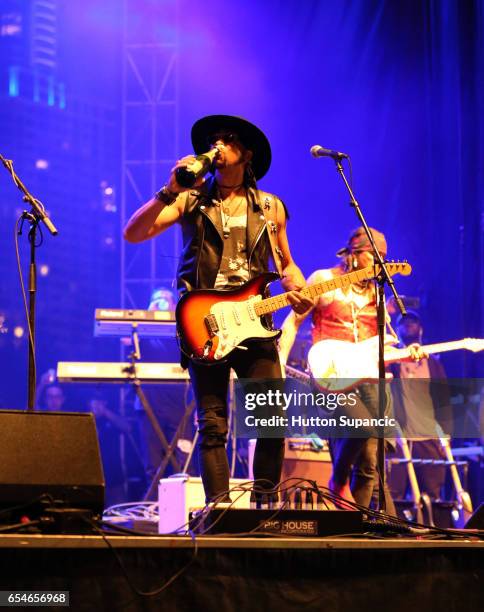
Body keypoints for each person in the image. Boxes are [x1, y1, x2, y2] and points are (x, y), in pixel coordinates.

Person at [124, 115, 312, 502]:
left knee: (271, 421)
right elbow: (133, 233)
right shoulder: (191, 199)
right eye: (215, 140)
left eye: (228, 141)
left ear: (247, 154)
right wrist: (168, 190)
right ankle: (220, 510)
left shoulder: (270, 207)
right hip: (205, 321)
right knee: (213, 424)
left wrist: (298, 285)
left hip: (256, 322)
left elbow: (286, 263)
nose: (218, 146)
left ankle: (265, 506)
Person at [279, 227, 425, 511]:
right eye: (374, 256)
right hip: (333, 375)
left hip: (369, 376)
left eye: (383, 257)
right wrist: (280, 361)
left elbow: (381, 342)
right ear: (354, 255)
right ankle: (339, 478)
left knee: (371, 462)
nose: (380, 263)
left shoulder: (378, 293)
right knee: (361, 425)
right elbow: (293, 322)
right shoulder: (324, 280)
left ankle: (358, 525)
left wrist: (405, 354)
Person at [389, 311, 453, 501]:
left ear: (421, 329)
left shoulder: (433, 364)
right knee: (395, 496)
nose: (407, 325)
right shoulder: (391, 363)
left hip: (429, 438)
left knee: (432, 495)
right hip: (400, 439)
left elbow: (444, 401)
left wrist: (446, 434)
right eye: (403, 322)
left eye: (412, 322)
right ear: (397, 330)